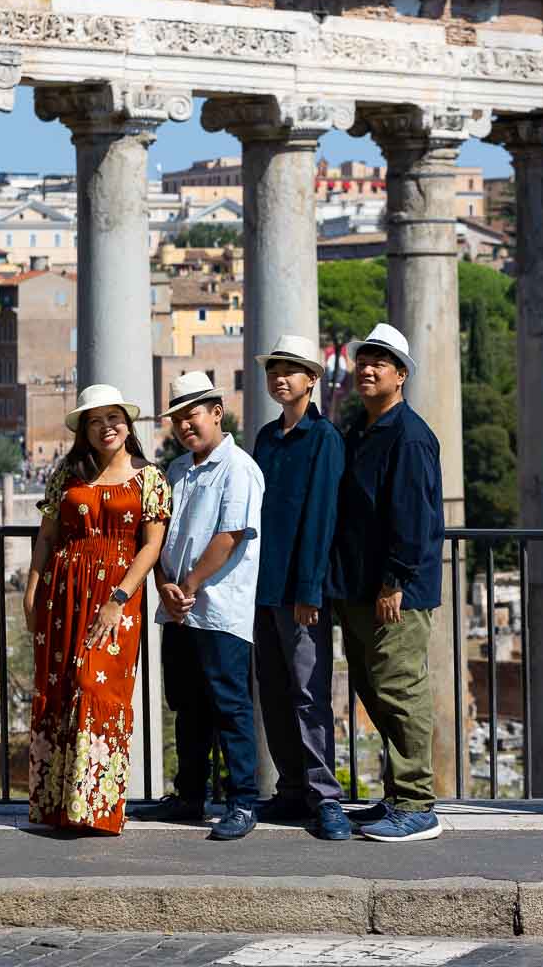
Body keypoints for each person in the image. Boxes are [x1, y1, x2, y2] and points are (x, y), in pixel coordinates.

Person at [24, 383, 171, 835]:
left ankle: (95, 807)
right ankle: (58, 806)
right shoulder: (67, 474)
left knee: (96, 687)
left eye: (114, 418)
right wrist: (31, 591)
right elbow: (47, 537)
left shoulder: (151, 478)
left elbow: (151, 548)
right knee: (62, 685)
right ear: (83, 430)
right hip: (63, 590)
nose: (106, 427)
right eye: (95, 420)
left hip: (116, 595)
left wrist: (118, 599)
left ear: (127, 425)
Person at [328, 323, 445, 843]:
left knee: (400, 692)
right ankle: (397, 797)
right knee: (376, 693)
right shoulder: (362, 428)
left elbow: (414, 518)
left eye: (380, 363)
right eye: (363, 361)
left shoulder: (410, 436)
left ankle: (418, 804)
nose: (367, 369)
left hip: (393, 592)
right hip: (357, 588)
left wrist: (393, 580)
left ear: (401, 376)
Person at [153, 371, 265, 841]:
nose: (184, 425)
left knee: (230, 706)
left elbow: (230, 535)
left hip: (218, 608)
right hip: (180, 607)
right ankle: (191, 795)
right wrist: (164, 584)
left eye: (191, 414)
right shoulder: (178, 470)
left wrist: (189, 584)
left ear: (217, 413)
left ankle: (242, 800)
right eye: (177, 418)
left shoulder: (238, 467)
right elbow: (159, 538)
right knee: (188, 705)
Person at [252, 334, 349, 840]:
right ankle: (291, 791)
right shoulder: (266, 438)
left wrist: (310, 589)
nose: (279, 377)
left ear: (312, 379)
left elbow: (322, 517)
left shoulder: (325, 439)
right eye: (273, 370)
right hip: (262, 587)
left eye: (290, 370)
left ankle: (325, 797)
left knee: (309, 694)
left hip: (301, 590)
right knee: (272, 691)